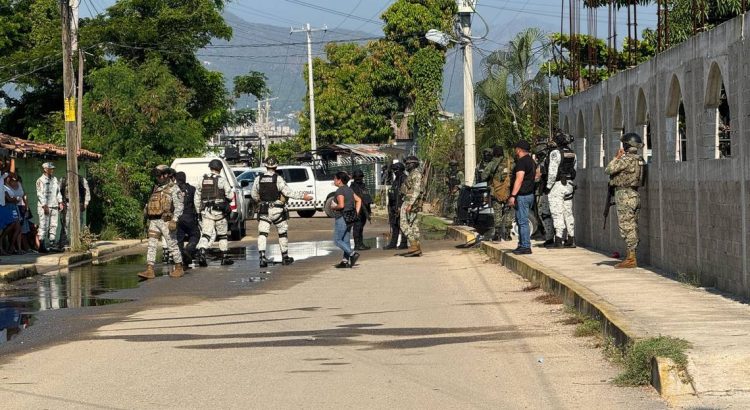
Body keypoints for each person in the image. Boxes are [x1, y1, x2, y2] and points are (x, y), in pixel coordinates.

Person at [250, 157, 313, 268]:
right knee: (282, 232)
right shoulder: (278, 178)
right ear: (276, 167)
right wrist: (303, 196)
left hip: (263, 210)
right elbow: (288, 193)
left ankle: (262, 257)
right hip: (277, 210)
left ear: (265, 166)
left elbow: (254, 194)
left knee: (262, 234)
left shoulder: (258, 179)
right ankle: (285, 257)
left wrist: (260, 201)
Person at [605, 132, 645, 269]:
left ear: (627, 145)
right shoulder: (640, 159)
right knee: (632, 226)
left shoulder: (626, 159)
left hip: (625, 195)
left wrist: (617, 157)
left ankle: (631, 258)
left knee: (627, 227)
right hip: (634, 194)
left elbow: (609, 169)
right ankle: (630, 256)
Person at [139, 165, 184, 280]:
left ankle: (179, 267)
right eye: (157, 175)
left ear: (166, 175)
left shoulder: (174, 188)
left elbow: (179, 206)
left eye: (160, 175)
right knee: (151, 245)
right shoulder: (156, 188)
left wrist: (175, 220)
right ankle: (150, 269)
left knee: (172, 244)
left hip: (166, 221)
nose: (158, 177)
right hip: (154, 221)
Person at [195, 160, 234, 267]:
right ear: (220, 169)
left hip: (206, 212)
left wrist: (198, 211)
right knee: (222, 236)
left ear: (210, 168)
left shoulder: (201, 179)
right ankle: (224, 258)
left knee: (206, 234)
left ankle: (202, 251)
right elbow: (230, 196)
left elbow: (197, 197)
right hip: (220, 213)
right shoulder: (222, 180)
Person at [546, 132, 577, 248]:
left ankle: (559, 239)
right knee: (568, 212)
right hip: (569, 184)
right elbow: (574, 170)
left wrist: (548, 187)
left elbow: (552, 172)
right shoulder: (572, 153)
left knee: (557, 212)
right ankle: (571, 238)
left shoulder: (555, 153)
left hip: (558, 185)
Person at [507, 140, 536, 255]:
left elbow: (519, 179)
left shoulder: (521, 162)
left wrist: (513, 195)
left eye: (516, 149)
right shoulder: (531, 161)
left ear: (519, 149)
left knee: (522, 221)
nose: (515, 151)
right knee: (520, 220)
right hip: (529, 194)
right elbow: (536, 174)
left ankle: (525, 246)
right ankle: (521, 244)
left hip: (522, 195)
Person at [481, 146, 513, 241]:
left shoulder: (492, 163)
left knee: (497, 212)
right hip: (508, 190)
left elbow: (483, 176)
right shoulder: (510, 162)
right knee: (508, 212)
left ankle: (497, 234)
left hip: (496, 191)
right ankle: (507, 234)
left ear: (494, 153)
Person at [330, 172, 362, 268]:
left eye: (335, 179)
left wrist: (333, 207)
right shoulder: (349, 190)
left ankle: (352, 254)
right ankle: (345, 261)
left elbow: (341, 205)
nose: (334, 181)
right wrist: (356, 212)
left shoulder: (340, 191)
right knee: (346, 240)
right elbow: (359, 200)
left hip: (342, 217)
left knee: (337, 240)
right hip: (350, 217)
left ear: (339, 180)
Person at [36, 162, 63, 252]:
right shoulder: (40, 180)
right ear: (45, 169)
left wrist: (60, 202)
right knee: (44, 225)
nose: (52, 170)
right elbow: (39, 194)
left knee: (54, 225)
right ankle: (42, 245)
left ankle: (52, 244)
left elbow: (58, 192)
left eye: (52, 168)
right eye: (50, 168)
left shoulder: (55, 179)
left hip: (54, 205)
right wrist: (44, 205)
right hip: (44, 207)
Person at [175, 171, 200, 268]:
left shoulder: (174, 189)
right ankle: (189, 249)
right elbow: (196, 203)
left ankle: (181, 258)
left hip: (178, 217)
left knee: (179, 239)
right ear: (185, 179)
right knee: (195, 234)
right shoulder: (192, 189)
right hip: (189, 216)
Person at [399, 156, 424, 257]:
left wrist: (410, 204)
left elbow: (417, 190)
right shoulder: (412, 174)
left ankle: (413, 245)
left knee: (403, 224)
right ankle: (416, 248)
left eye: (408, 164)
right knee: (413, 226)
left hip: (410, 202)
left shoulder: (416, 174)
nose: (406, 166)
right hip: (410, 201)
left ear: (413, 164)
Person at [60, 174, 91, 247]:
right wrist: (60, 203)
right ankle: (63, 242)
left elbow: (87, 191)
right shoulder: (63, 179)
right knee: (65, 223)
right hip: (67, 203)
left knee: (79, 223)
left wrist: (85, 203)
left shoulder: (81, 179)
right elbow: (58, 191)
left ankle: (78, 241)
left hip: (78, 204)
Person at [534, 141, 555, 246]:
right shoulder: (551, 159)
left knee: (543, 213)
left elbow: (537, 178)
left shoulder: (544, 162)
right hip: (553, 190)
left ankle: (550, 236)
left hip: (546, 191)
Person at [384, 162, 407, 250]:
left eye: (395, 170)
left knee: (402, 225)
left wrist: (400, 206)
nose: (394, 172)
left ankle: (404, 243)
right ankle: (393, 243)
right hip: (393, 205)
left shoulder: (404, 179)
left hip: (400, 205)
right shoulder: (396, 179)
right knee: (394, 225)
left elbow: (403, 194)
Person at [350, 169, 372, 251]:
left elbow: (367, 199)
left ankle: (361, 244)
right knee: (357, 228)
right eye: (357, 177)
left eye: (360, 177)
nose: (359, 178)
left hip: (364, 210)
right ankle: (357, 245)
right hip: (357, 210)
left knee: (361, 228)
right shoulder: (352, 187)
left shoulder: (363, 186)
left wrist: (368, 211)